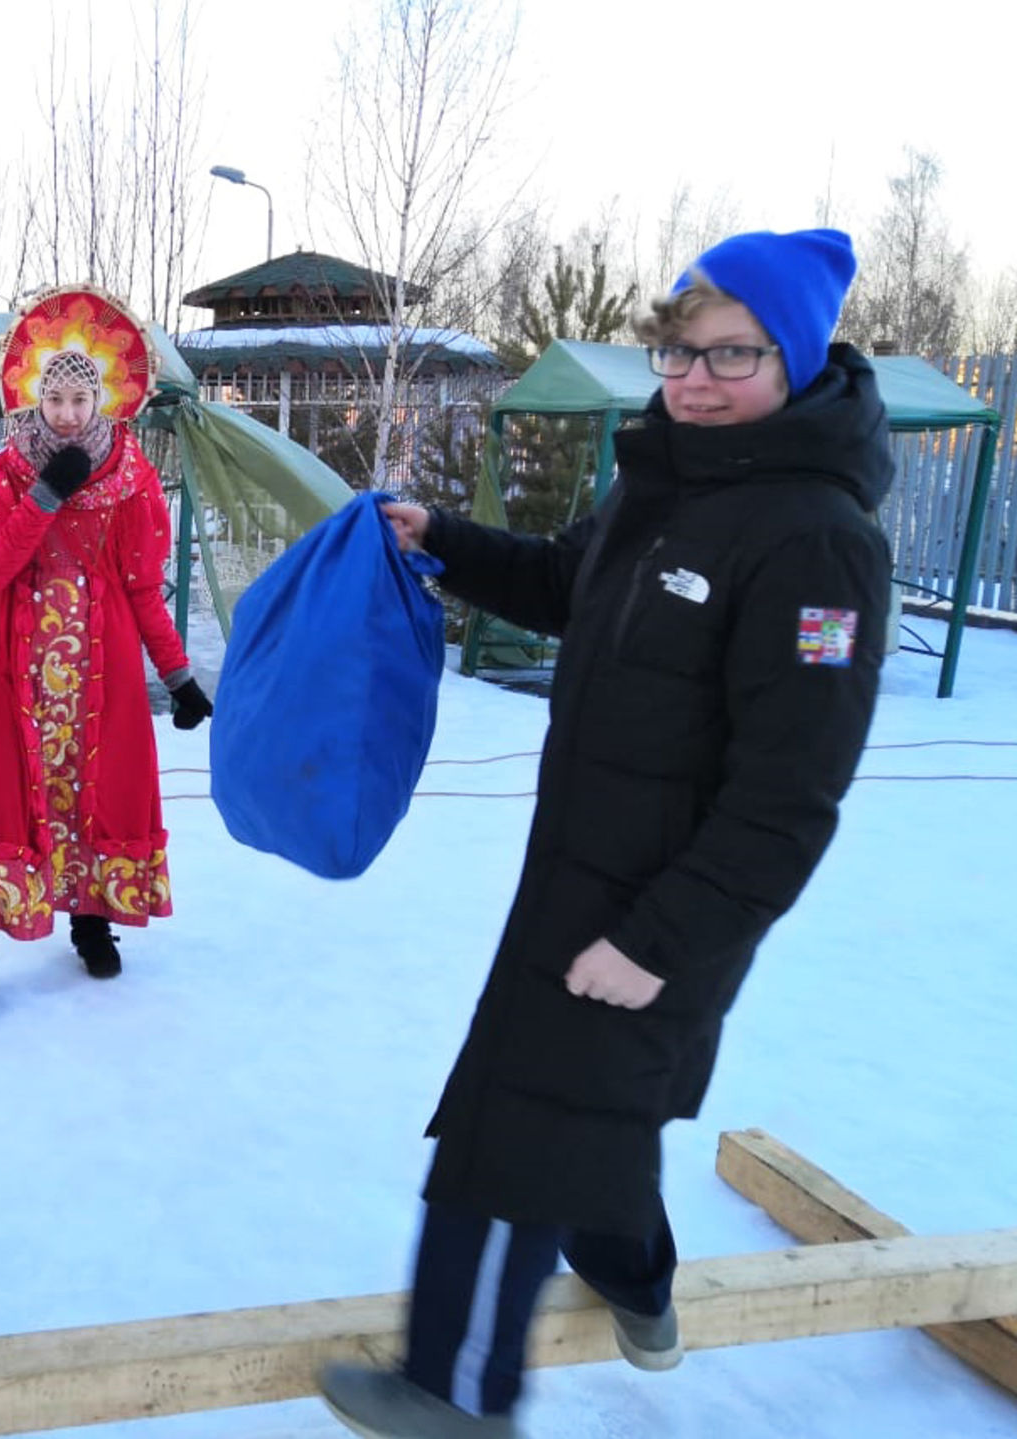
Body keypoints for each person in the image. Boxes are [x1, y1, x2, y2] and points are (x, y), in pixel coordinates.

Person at [316, 229, 893, 1438]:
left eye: (731, 354)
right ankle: (639, 1283)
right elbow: (561, 584)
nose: (693, 378)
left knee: (520, 1136)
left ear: (793, 357)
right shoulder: (667, 482)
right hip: (577, 877)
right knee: (575, 1119)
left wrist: (661, 943)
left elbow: (792, 797)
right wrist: (444, 540)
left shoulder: (820, 543)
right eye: (679, 351)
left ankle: (455, 1393)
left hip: (661, 914)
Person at [0, 288, 212, 1028]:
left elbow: (143, 588)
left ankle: (92, 919)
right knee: (3, 800)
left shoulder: (130, 478)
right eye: (53, 397)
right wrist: (44, 499)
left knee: (105, 792)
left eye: (79, 397)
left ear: (104, 398)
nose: (66, 412)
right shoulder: (2, 477)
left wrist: (179, 676)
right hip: (16, 670)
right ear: (32, 394)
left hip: (107, 671)